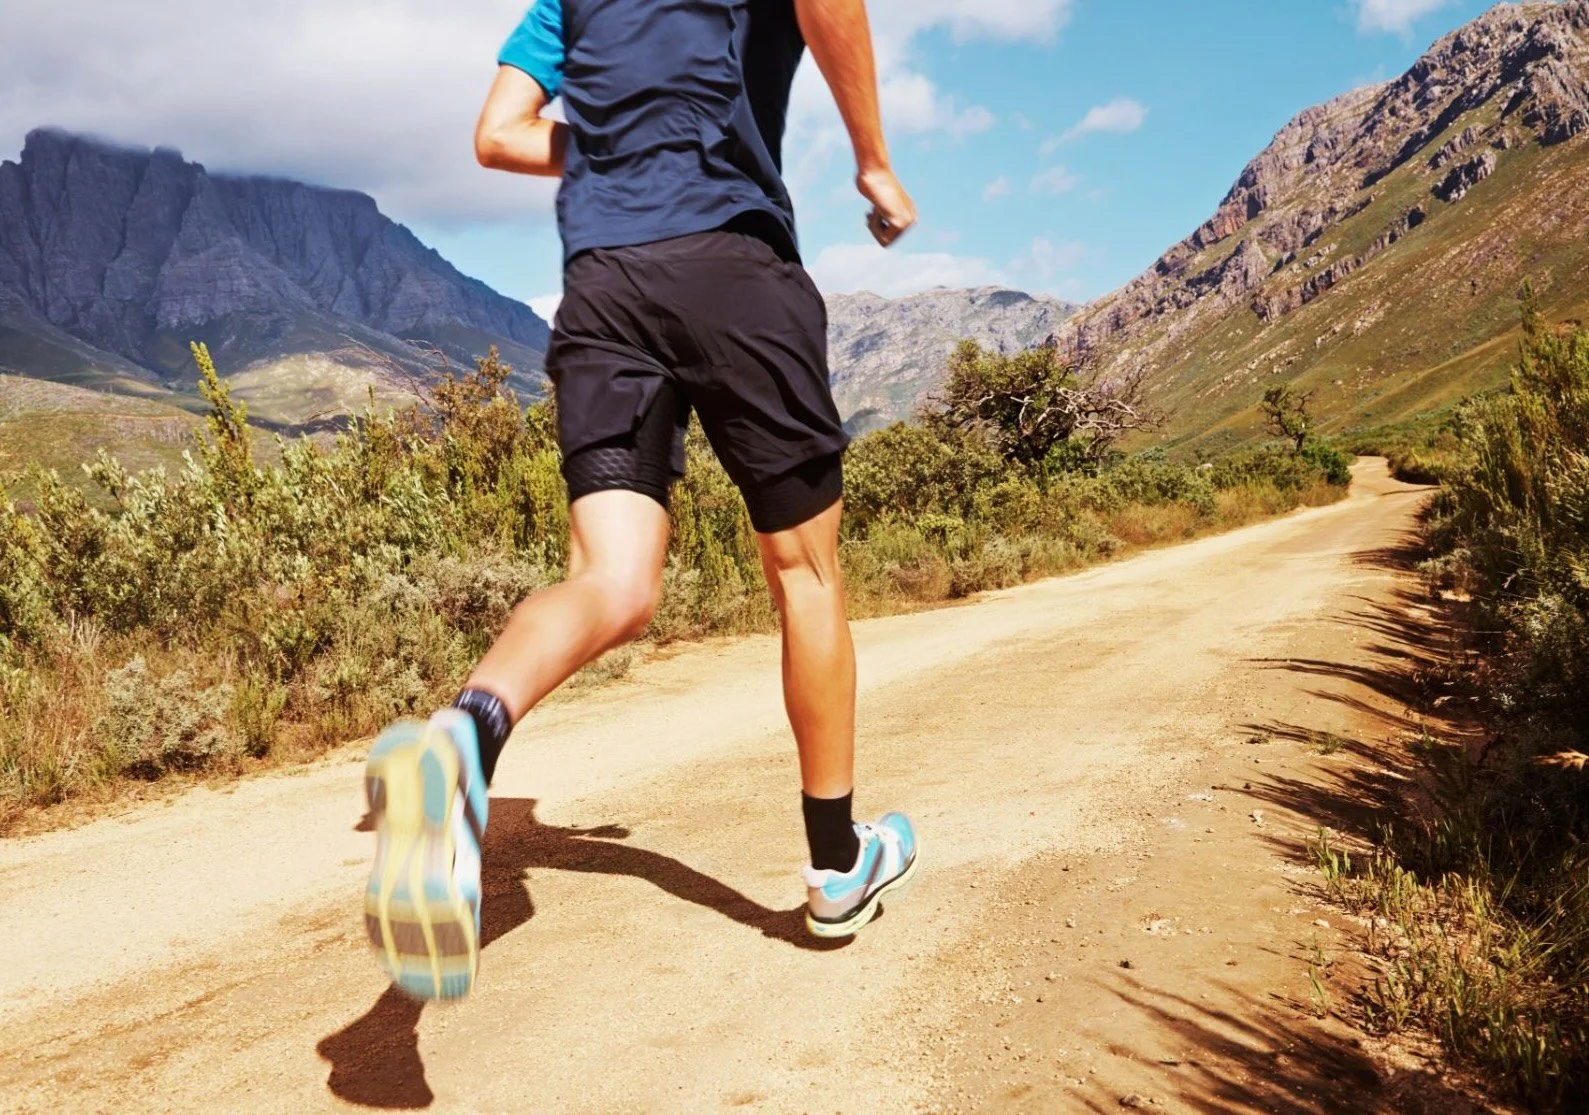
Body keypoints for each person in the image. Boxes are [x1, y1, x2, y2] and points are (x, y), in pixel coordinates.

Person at [362, 0, 920, 1002]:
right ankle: (837, 866)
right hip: (731, 265)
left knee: (611, 579)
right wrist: (871, 158)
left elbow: (496, 136)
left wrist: (615, 148)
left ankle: (464, 736)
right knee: (804, 571)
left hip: (604, 289)